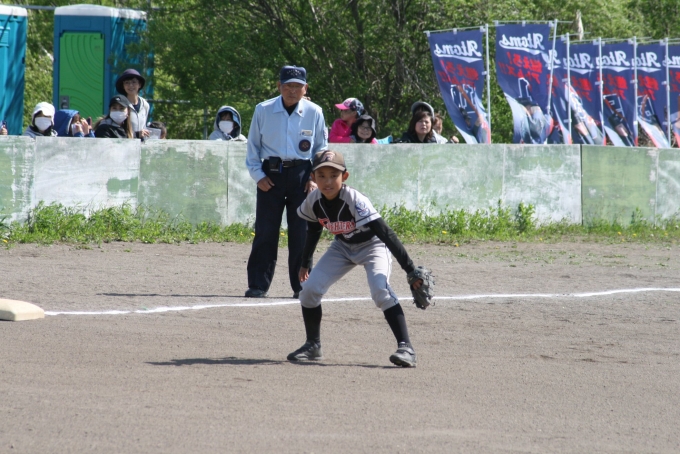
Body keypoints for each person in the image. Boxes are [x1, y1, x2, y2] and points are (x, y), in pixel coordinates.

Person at [287, 149, 423, 367]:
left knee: (380, 290)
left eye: (334, 175)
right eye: (321, 175)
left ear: (345, 176)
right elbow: (313, 230)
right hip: (342, 247)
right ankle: (313, 345)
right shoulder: (313, 200)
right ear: (313, 177)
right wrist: (305, 263)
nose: (327, 181)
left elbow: (385, 232)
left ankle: (406, 347)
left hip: (372, 245)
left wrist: (410, 269)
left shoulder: (354, 199)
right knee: (309, 290)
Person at [244, 65, 328, 298]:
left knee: (302, 233)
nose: (292, 90)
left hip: (303, 177)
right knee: (265, 231)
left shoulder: (314, 112)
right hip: (270, 175)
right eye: (288, 86)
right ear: (279, 86)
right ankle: (258, 284)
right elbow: (252, 147)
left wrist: (314, 178)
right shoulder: (263, 110)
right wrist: (258, 176)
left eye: (297, 86)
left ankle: (302, 286)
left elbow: (321, 149)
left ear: (305, 88)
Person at [115, 68, 150, 139]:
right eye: (127, 83)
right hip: (124, 143)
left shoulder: (145, 104)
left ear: (139, 84)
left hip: (141, 144)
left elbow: (144, 127)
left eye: (134, 82)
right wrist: (136, 134)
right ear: (123, 86)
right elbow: (116, 131)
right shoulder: (120, 104)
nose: (130, 85)